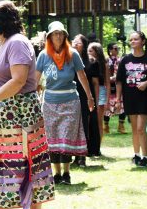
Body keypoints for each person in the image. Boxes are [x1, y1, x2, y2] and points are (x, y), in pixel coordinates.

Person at [0, 0, 54, 209]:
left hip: (19, 115)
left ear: (1, 22)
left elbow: (18, 81)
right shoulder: (2, 43)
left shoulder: (17, 42)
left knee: (28, 165)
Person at [36, 21, 95, 185]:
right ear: (49, 37)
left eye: (61, 33)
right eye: (55, 33)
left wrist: (90, 97)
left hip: (70, 100)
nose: (59, 36)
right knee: (53, 138)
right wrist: (30, 97)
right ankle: (56, 173)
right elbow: (35, 79)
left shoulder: (73, 54)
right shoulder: (43, 55)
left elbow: (82, 76)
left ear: (65, 36)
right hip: (49, 102)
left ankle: (67, 173)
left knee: (66, 136)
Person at [116, 31, 147, 167]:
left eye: (136, 39)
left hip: (146, 98)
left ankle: (145, 157)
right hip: (130, 98)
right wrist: (118, 100)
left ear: (143, 41)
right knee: (135, 129)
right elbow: (119, 81)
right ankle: (136, 155)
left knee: (141, 128)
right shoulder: (125, 60)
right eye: (131, 40)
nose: (132, 42)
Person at [72, 34, 101, 166]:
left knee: (84, 125)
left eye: (77, 42)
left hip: (85, 97)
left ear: (84, 45)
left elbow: (95, 84)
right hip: (71, 96)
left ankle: (82, 155)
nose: (74, 44)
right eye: (73, 42)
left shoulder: (91, 62)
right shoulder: (68, 59)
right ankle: (74, 155)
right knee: (73, 126)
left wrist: (95, 100)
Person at [87, 42, 110, 156]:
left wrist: (107, 100)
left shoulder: (103, 65)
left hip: (100, 92)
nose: (88, 53)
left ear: (97, 52)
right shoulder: (86, 64)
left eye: (91, 51)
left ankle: (98, 147)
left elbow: (107, 83)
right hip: (89, 91)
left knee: (98, 122)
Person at [104, 42, 126, 134]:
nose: (117, 50)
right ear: (110, 50)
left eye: (118, 49)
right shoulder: (105, 60)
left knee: (122, 105)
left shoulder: (121, 60)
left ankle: (121, 126)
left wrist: (117, 77)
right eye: (115, 48)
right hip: (108, 86)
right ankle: (106, 126)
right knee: (108, 105)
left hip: (119, 86)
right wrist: (108, 78)